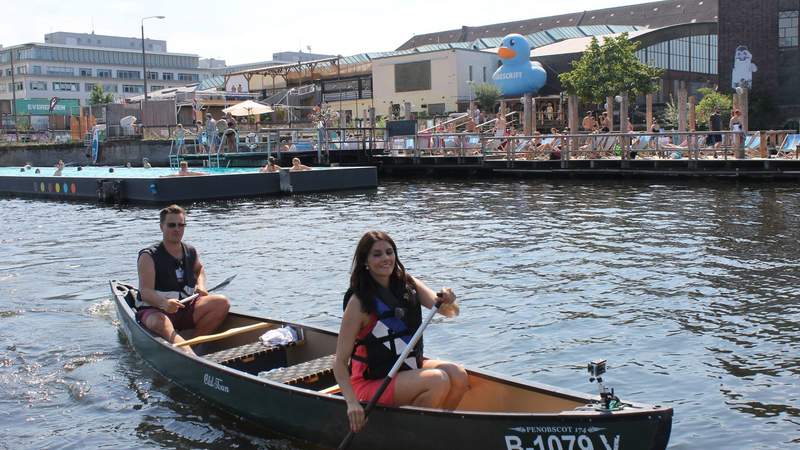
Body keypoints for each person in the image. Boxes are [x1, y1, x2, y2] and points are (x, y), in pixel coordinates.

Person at [333, 231, 468, 433]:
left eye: (389, 252)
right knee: (437, 380)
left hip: (407, 367)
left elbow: (450, 312)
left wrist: (449, 300)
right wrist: (352, 403)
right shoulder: (359, 303)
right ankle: (414, 436)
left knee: (458, 375)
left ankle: (437, 431)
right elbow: (339, 363)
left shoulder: (408, 284)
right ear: (365, 262)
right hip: (372, 382)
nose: (385, 258)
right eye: (377, 254)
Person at [136, 204, 230, 354]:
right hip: (156, 310)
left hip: (186, 306)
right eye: (171, 225)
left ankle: (192, 347)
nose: (177, 229)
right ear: (162, 227)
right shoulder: (148, 256)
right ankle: (189, 355)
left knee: (221, 302)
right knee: (161, 322)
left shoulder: (190, 251)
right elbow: (145, 292)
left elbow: (199, 269)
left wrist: (201, 285)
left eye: (181, 225)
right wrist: (164, 303)